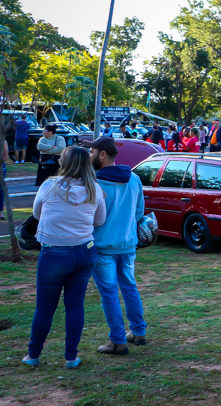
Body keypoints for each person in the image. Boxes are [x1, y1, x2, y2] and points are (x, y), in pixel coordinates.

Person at [24, 147, 107, 369]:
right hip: (84, 251)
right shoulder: (94, 189)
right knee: (75, 306)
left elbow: (37, 214)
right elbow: (100, 220)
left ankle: (33, 354)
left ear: (64, 162)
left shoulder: (50, 186)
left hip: (53, 251)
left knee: (44, 308)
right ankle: (71, 357)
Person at [88, 137, 147, 356]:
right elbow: (139, 212)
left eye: (92, 152)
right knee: (130, 287)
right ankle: (139, 333)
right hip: (128, 245)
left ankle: (118, 341)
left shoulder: (94, 182)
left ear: (102, 154)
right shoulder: (134, 178)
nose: (89, 156)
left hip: (103, 247)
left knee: (110, 294)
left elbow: (90, 217)